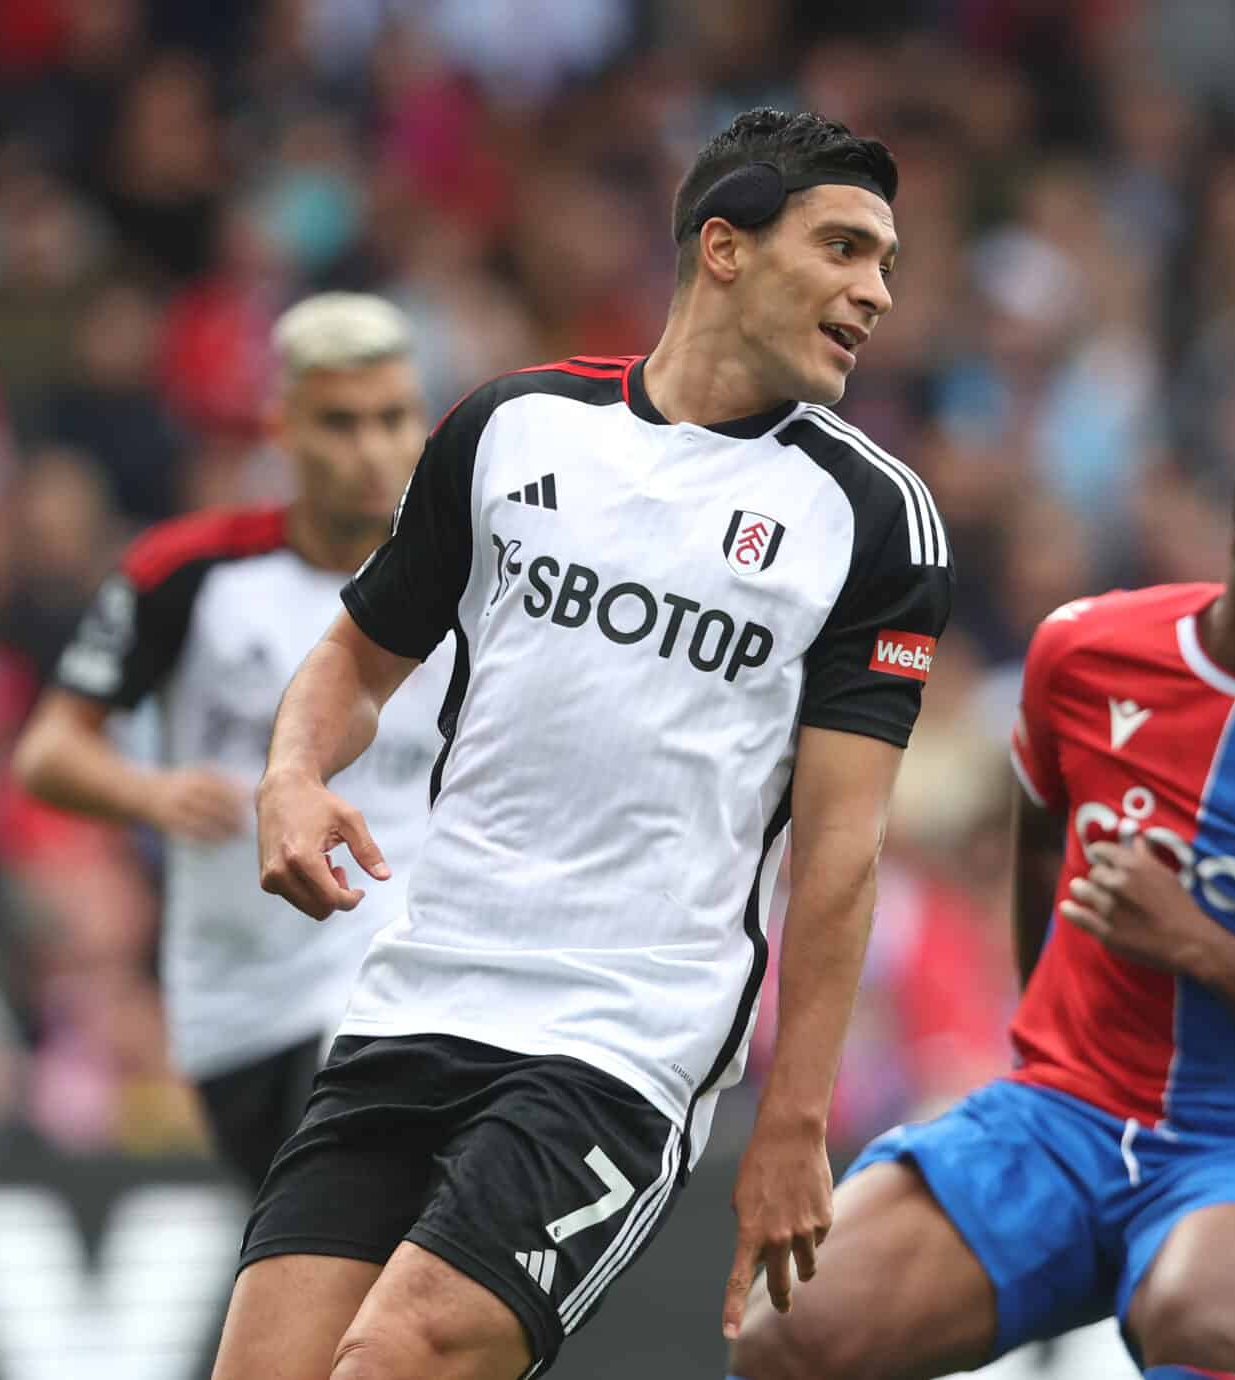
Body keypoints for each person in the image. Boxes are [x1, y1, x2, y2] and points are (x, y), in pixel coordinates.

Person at [212, 108, 951, 1380]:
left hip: (619, 1042)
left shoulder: (871, 520)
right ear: (723, 247)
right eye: (842, 248)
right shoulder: (512, 428)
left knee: (399, 1356)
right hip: (416, 998)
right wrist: (289, 777)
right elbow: (352, 656)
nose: (874, 291)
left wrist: (793, 1121)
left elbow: (839, 849)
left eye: (884, 263)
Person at [731, 406, 1235, 1380]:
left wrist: (1199, 944)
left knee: (1205, 1327)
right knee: (788, 1336)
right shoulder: (1083, 653)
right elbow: (1042, 840)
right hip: (1062, 1111)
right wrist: (1052, 1030)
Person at [13, 293, 450, 1188]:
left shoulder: (475, 576)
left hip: (399, 964)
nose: (372, 449)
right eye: (339, 423)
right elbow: (47, 754)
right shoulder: (189, 574)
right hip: (237, 994)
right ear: (281, 428)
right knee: (311, 1266)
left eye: (392, 418)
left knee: (374, 1219)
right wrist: (153, 794)